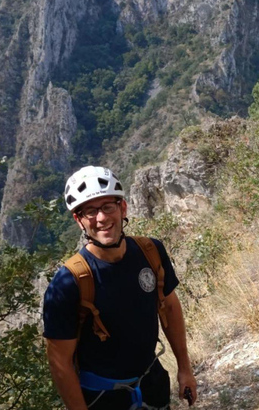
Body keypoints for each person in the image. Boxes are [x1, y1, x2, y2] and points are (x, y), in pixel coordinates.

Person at [43, 166, 197, 409]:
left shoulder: (151, 252)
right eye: (90, 211)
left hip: (152, 383)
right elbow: (59, 361)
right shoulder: (68, 283)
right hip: (103, 398)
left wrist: (184, 368)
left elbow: (168, 307)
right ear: (79, 220)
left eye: (107, 207)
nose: (102, 218)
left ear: (122, 207)